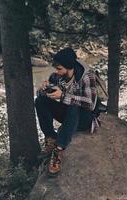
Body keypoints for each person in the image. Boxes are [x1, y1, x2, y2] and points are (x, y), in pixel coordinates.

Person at [35, 47, 98, 176]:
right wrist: (43, 90)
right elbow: (49, 93)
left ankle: (58, 150)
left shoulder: (87, 77)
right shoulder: (57, 76)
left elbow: (91, 104)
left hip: (85, 118)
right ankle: (51, 138)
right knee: (39, 100)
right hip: (69, 116)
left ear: (69, 67)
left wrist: (63, 96)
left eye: (59, 69)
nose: (56, 72)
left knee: (73, 105)